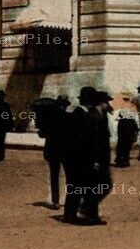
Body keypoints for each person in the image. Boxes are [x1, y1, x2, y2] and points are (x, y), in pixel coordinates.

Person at [61, 87, 96, 223]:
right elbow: (79, 139)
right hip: (76, 157)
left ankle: (70, 214)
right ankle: (69, 215)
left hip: (73, 157)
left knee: (75, 186)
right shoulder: (80, 114)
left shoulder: (78, 113)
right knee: (76, 186)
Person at [83, 90, 113, 223]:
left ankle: (88, 209)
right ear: (101, 103)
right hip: (97, 158)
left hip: (100, 158)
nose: (108, 104)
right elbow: (93, 140)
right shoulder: (95, 117)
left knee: (101, 185)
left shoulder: (99, 114)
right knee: (102, 185)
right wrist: (95, 160)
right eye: (106, 102)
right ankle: (91, 214)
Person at [34, 95, 66, 208]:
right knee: (69, 177)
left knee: (54, 177)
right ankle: (69, 200)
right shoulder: (68, 116)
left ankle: (55, 201)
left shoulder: (50, 117)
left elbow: (42, 134)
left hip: (52, 150)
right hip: (66, 151)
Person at [114, 94, 138, 168]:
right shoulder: (132, 106)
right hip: (130, 125)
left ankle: (119, 159)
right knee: (127, 143)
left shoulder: (121, 106)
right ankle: (126, 160)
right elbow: (134, 117)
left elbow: (119, 117)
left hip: (122, 125)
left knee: (120, 142)